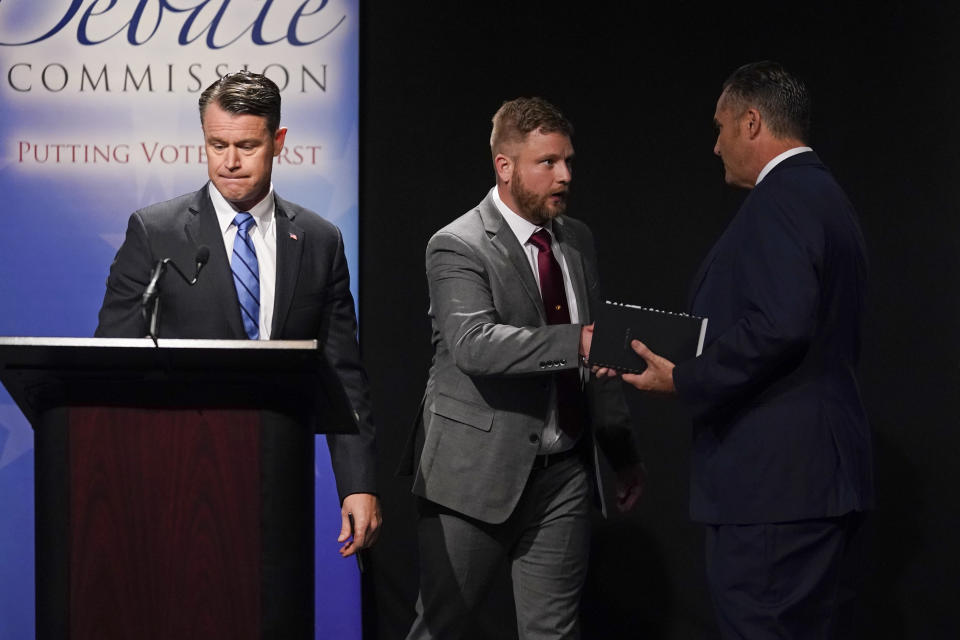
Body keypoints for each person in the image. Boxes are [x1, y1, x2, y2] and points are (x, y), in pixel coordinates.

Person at [611, 61, 874, 638]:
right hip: (813, 478)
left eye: (721, 127)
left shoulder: (782, 198)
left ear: (751, 122)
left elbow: (781, 324)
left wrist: (686, 378)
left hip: (774, 489)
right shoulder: (826, 195)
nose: (714, 146)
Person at [95, 70, 380, 558]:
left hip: (278, 477)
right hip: (173, 476)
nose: (228, 162)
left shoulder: (319, 240)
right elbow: (112, 367)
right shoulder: (155, 232)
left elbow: (343, 375)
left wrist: (356, 481)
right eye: (216, 144)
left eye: (246, 146)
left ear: (278, 141)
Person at [400, 97, 645, 640]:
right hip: (473, 476)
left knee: (554, 633)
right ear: (505, 167)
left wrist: (619, 449)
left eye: (568, 162)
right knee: (444, 628)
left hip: (565, 474)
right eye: (548, 163)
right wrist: (575, 341)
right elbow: (474, 344)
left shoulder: (576, 239)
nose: (565, 175)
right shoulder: (457, 243)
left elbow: (596, 357)